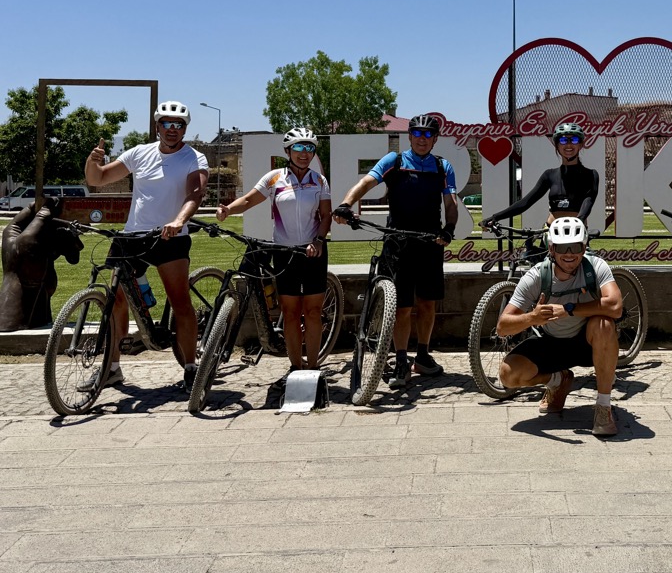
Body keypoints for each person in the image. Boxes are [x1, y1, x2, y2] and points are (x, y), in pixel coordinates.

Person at [84, 100, 209, 391]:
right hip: (132, 236)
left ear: (185, 129)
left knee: (180, 302)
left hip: (170, 237)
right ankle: (112, 367)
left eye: (178, 125)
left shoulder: (194, 158)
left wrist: (178, 220)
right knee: (116, 299)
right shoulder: (139, 153)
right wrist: (93, 161)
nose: (172, 129)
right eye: (166, 123)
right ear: (157, 127)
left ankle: (191, 367)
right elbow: (98, 179)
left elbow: (195, 193)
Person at [332, 113, 457, 388]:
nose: (422, 139)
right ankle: (401, 359)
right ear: (409, 136)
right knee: (401, 306)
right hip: (398, 244)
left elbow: (450, 202)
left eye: (428, 135)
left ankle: (422, 356)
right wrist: (345, 204)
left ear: (435, 139)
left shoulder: (442, 166)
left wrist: (449, 228)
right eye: (417, 134)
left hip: (430, 242)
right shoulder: (395, 161)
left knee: (428, 303)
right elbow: (366, 182)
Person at [217, 127, 332, 377]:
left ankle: (313, 368)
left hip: (313, 252)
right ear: (288, 151)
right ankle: (295, 367)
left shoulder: (319, 181)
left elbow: (326, 216)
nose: (304, 153)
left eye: (309, 148)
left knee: (313, 312)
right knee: (290, 313)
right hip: (283, 252)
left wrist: (319, 240)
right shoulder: (274, 178)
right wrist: (228, 209)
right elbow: (248, 200)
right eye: (298, 148)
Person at [496, 217, 623, 436]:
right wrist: (532, 318)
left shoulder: (595, 266)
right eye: (563, 247)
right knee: (508, 374)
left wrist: (569, 309)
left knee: (603, 324)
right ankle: (558, 380)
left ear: (584, 247)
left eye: (576, 247)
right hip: (551, 343)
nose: (569, 254)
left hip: (587, 342)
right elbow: (502, 327)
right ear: (552, 249)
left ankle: (603, 407)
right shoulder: (537, 276)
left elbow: (615, 306)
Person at [481, 122, 600, 232]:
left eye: (574, 140)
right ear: (557, 145)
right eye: (563, 140)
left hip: (578, 232)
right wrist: (495, 217)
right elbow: (526, 202)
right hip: (551, 231)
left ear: (580, 144)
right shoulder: (549, 175)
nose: (568, 144)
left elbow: (588, 202)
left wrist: (579, 221)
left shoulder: (591, 175)